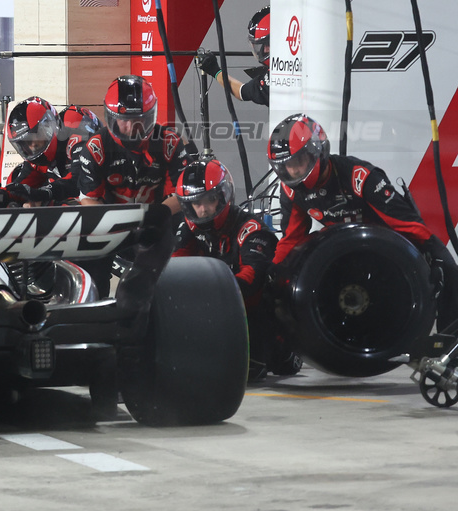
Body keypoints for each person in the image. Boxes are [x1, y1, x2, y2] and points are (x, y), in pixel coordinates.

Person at [267, 113, 458, 330]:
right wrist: (273, 271)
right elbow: (292, 239)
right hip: (342, 252)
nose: (293, 171)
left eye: (298, 162)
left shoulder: (360, 176)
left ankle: (449, 348)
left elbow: (405, 223)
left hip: (385, 248)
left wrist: (434, 252)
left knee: (449, 270)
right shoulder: (290, 191)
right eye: (287, 166)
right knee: (279, 278)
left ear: (317, 151)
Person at [172, 158, 298, 380]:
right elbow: (174, 267)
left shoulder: (251, 230)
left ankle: (286, 348)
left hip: (252, 313)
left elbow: (251, 280)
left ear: (222, 196)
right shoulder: (189, 227)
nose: (202, 209)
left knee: (254, 370)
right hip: (213, 309)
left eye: (208, 200)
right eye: (195, 203)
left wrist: (207, 293)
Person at [76, 75, 192, 213]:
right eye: (124, 119)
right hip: (111, 223)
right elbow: (88, 198)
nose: (131, 127)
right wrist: (112, 221)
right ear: (112, 118)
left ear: (150, 117)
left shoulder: (169, 142)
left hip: (159, 219)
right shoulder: (96, 148)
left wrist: (153, 217)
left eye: (138, 119)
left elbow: (183, 193)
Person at [3, 99, 99, 207]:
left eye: (34, 136)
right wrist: (1, 195)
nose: (32, 146)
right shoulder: (36, 158)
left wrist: (43, 194)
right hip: (63, 179)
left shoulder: (75, 132)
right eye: (24, 143)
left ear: (49, 126)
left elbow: (81, 179)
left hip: (102, 186)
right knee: (14, 180)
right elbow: (19, 187)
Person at [197, 7, 270, 106]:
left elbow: (242, 92)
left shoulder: (274, 80)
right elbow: (243, 91)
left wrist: (214, 71)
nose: (264, 50)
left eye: (267, 45)